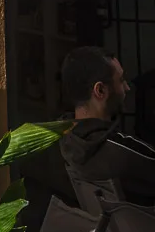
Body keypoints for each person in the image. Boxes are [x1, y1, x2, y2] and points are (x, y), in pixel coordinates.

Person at [60, 45, 155, 206]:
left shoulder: (66, 138)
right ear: (101, 90)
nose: (127, 88)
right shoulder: (118, 150)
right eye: (121, 80)